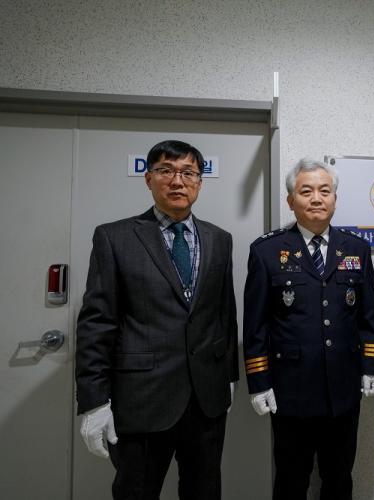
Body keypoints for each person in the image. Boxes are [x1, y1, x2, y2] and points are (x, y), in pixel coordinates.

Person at [75, 140, 238, 500]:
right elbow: (97, 323)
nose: (178, 181)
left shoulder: (220, 239)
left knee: (204, 491)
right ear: (148, 179)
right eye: (166, 171)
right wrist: (94, 400)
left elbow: (224, 315)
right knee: (136, 492)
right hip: (142, 399)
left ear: (200, 182)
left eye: (188, 173)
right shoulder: (115, 237)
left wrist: (229, 375)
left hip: (206, 400)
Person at [243, 158, 374, 500]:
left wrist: (371, 366)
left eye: (325, 191)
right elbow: (255, 325)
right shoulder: (267, 251)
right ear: (291, 200)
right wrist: (259, 382)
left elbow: (368, 317)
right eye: (306, 191)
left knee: (339, 477)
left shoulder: (356, 249)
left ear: (335, 199)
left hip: (344, 388)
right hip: (291, 391)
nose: (317, 198)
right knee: (291, 479)